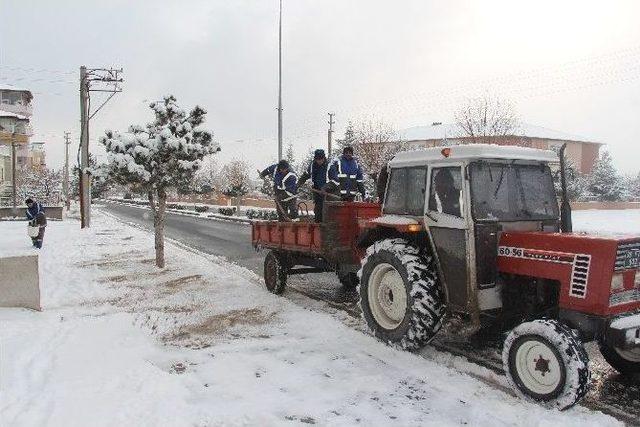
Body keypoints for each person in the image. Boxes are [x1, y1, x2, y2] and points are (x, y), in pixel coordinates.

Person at [298, 149, 329, 222]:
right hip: (317, 191)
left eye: (320, 159)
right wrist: (299, 183)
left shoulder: (329, 166)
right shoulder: (312, 166)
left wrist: (325, 188)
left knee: (326, 210)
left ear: (324, 158)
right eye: (317, 159)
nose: (319, 161)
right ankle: (318, 225)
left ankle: (324, 224)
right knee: (318, 209)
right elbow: (306, 175)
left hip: (327, 192)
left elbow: (334, 180)